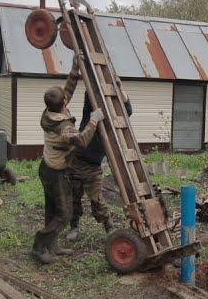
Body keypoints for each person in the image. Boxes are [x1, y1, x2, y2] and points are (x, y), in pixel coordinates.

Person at [32, 52, 104, 264]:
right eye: (65, 98)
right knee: (64, 213)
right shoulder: (62, 126)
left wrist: (75, 69)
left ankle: (52, 246)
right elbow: (81, 141)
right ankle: (39, 246)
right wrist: (93, 121)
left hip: (47, 167)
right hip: (55, 172)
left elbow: (68, 90)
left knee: (52, 209)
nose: (67, 97)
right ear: (63, 104)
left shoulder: (50, 110)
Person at [66, 83, 133, 242]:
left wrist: (119, 87)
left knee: (97, 200)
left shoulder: (114, 119)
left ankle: (109, 226)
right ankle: (74, 226)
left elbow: (128, 110)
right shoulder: (92, 111)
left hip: (94, 167)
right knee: (74, 197)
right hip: (76, 161)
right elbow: (90, 92)